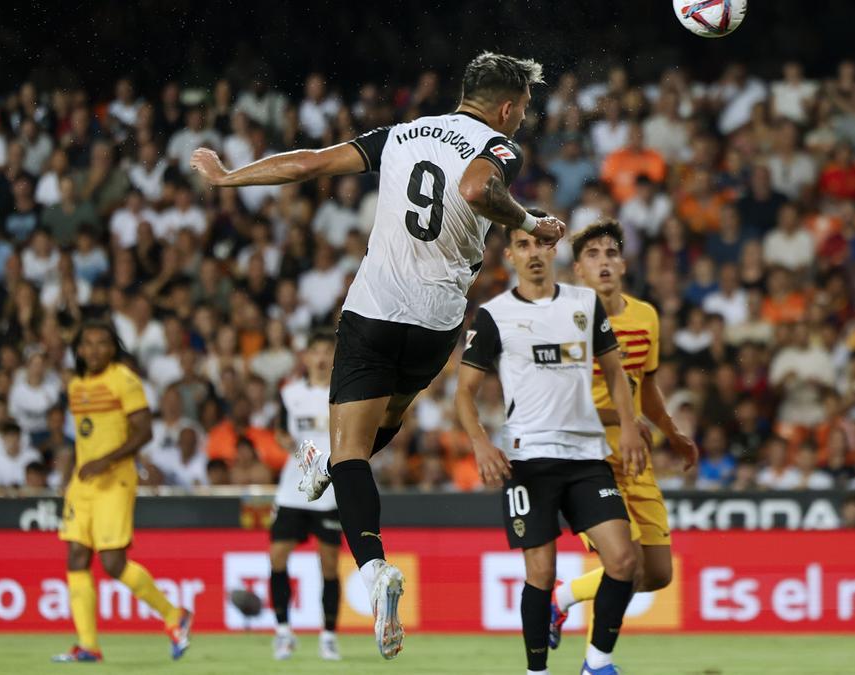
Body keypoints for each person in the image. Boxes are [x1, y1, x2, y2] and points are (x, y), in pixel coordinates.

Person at [191, 52, 565, 660]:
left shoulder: (400, 134)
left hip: (374, 311)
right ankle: (323, 462)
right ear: (506, 106)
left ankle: (373, 570)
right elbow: (476, 187)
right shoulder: (498, 145)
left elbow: (309, 164)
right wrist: (531, 219)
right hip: (437, 323)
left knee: (351, 452)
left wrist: (231, 177)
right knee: (374, 432)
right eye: (523, 107)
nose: (523, 118)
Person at [455, 222, 645, 675]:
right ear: (510, 256)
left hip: (586, 457)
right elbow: (464, 392)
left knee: (623, 560)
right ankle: (536, 672)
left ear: (555, 248)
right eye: (523, 244)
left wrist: (632, 425)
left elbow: (615, 372)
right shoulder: (494, 315)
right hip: (528, 460)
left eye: (542, 242)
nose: (534, 252)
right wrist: (481, 444)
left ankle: (597, 664)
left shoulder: (584, 303)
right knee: (539, 574)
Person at [549, 220, 698, 651]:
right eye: (592, 255)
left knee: (657, 573)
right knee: (625, 562)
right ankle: (597, 662)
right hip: (585, 458)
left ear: (625, 264)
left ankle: (560, 597)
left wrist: (672, 430)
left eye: (611, 253)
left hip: (635, 456)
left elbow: (645, 384)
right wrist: (625, 421)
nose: (604, 262)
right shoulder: (565, 322)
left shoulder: (645, 316)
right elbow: (557, 403)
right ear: (577, 269)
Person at [53, 322, 192, 662]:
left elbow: (144, 431)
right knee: (76, 557)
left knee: (113, 563)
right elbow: (88, 436)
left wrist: (105, 461)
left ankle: (174, 615)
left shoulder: (124, 380)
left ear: (113, 349)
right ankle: (88, 645)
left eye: (103, 343)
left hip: (114, 480)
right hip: (82, 483)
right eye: (89, 344)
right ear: (80, 350)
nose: (96, 350)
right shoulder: (76, 386)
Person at [268, 332, 343, 661]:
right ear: (307, 357)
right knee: (277, 556)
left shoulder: (343, 393)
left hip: (329, 490)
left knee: (328, 563)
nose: (322, 358)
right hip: (293, 488)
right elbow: (281, 431)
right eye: (316, 352)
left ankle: (328, 636)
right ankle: (284, 632)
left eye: (328, 351)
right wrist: (284, 441)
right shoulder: (289, 394)